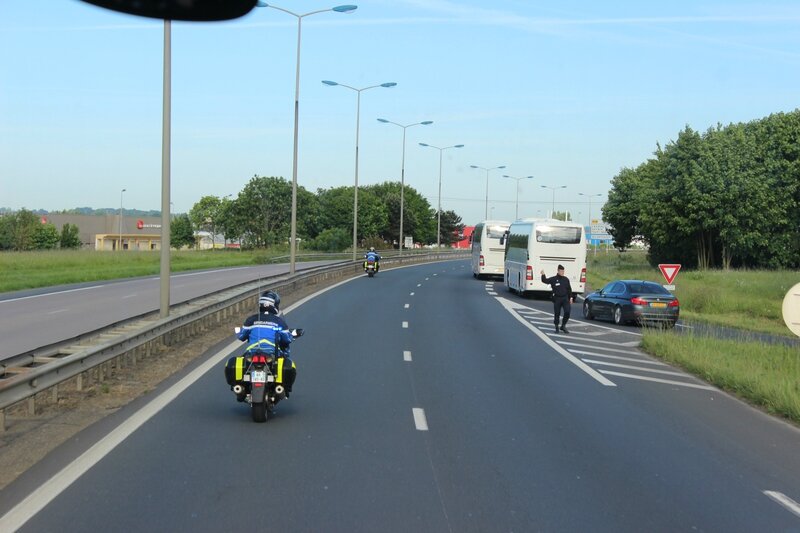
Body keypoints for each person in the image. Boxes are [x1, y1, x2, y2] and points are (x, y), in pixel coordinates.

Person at [237, 290, 297, 396]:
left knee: (241, 363)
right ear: (274, 305)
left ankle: (240, 388)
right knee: (287, 364)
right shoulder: (279, 322)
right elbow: (287, 340)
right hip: (273, 353)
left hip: (252, 352)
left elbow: (241, 337)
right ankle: (282, 388)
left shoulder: (250, 320)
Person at [540, 265, 574, 334]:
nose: (562, 272)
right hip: (557, 298)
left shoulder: (566, 279)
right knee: (557, 314)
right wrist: (543, 274)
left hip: (565, 298)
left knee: (567, 312)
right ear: (558, 271)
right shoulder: (553, 279)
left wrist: (571, 297)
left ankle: (563, 326)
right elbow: (545, 280)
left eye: (563, 271)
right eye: (561, 271)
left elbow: (569, 289)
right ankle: (556, 327)